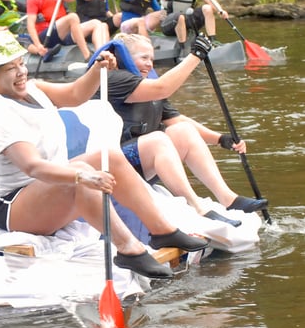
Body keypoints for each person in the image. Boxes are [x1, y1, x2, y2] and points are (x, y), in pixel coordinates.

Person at [0, 30, 209, 280]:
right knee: (80, 177)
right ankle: (128, 249)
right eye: (10, 68)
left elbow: (74, 95)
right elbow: (33, 167)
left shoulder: (33, 88)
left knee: (111, 157)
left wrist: (97, 69)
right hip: (11, 206)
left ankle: (162, 231)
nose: (21, 72)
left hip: (42, 187)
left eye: (21, 63)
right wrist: (81, 177)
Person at [97, 32, 269, 217]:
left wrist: (220, 139)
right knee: (158, 139)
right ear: (124, 58)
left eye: (152, 58)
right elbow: (163, 87)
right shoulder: (112, 79)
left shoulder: (148, 85)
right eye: (144, 57)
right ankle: (196, 207)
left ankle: (228, 199)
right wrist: (195, 56)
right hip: (113, 165)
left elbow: (178, 120)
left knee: (182, 130)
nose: (149, 63)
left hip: (140, 164)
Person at [26, 0, 92, 61]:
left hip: (61, 31)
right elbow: (30, 24)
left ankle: (102, 54)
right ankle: (87, 56)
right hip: (46, 34)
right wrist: (38, 45)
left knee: (97, 24)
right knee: (72, 17)